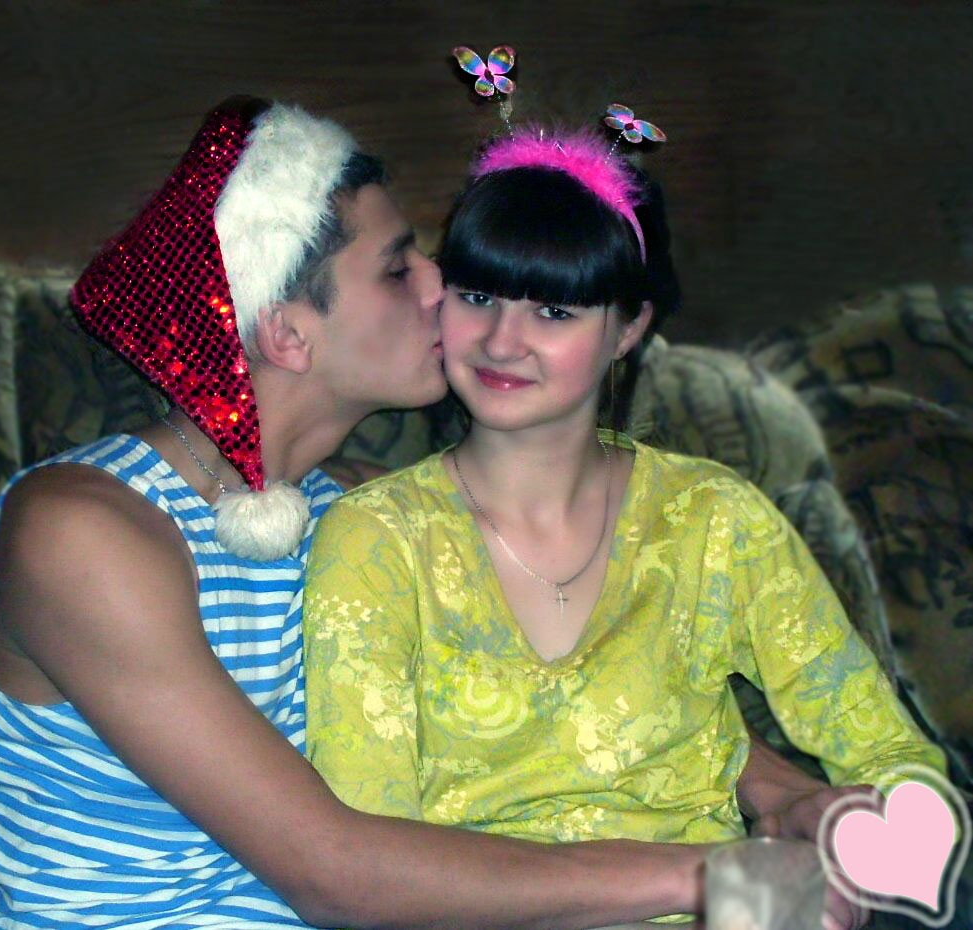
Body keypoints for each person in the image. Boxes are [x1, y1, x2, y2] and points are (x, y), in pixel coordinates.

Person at [0, 94, 876, 930]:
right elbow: (332, 872)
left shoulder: (363, 511)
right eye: (398, 268)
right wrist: (706, 876)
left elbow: (584, 698)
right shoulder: (83, 534)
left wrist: (780, 792)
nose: (443, 286)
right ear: (288, 333)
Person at [302, 123, 949, 924]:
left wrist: (859, 838)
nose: (502, 341)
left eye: (554, 310)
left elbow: (891, 754)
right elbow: (378, 865)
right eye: (477, 297)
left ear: (630, 327)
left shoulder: (713, 518)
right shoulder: (373, 539)